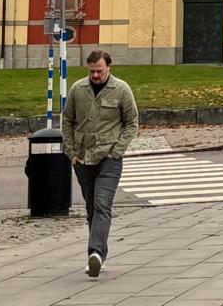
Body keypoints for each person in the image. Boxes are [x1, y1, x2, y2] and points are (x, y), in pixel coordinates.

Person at [61, 49, 140, 278]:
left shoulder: (121, 90)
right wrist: (71, 152)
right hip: (83, 158)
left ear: (109, 68)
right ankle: (98, 255)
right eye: (91, 71)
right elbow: (67, 120)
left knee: (102, 204)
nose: (95, 75)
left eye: (99, 70)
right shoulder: (78, 89)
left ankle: (95, 254)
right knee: (91, 208)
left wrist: (117, 151)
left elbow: (131, 123)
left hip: (109, 159)